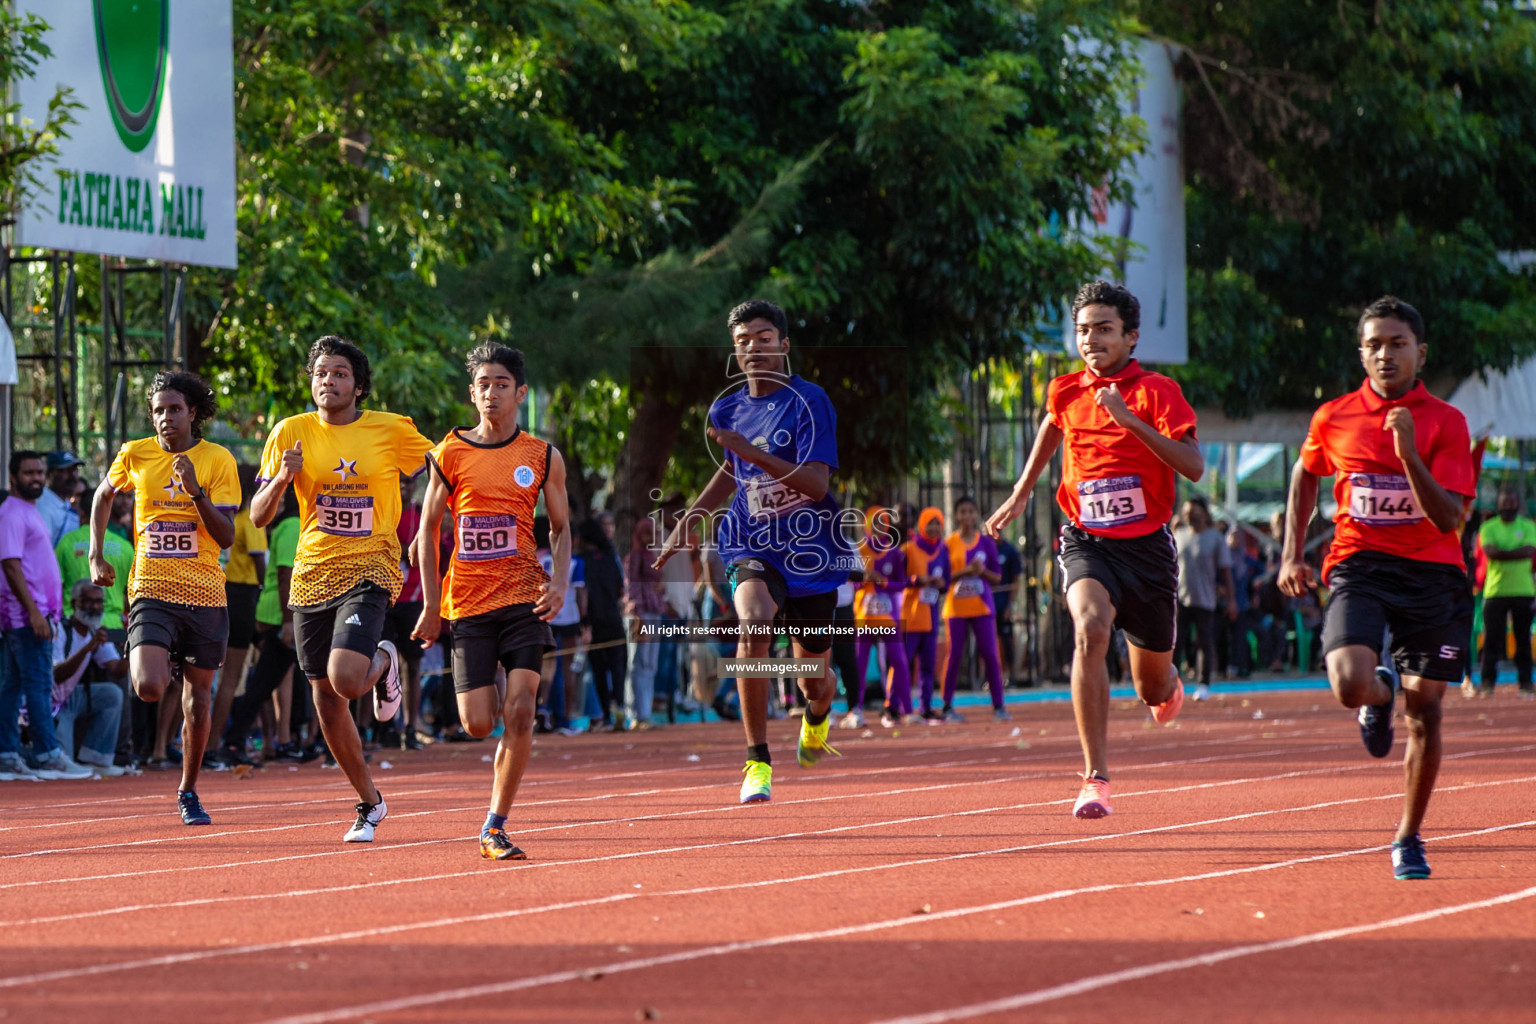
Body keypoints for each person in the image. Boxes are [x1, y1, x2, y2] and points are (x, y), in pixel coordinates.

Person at [985, 280, 1200, 819]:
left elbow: (1194, 466)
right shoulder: (1066, 390)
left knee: (1150, 687)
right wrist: (1020, 491)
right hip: (1087, 540)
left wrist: (1128, 419)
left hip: (1148, 549)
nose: (1091, 340)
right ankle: (1095, 777)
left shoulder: (1158, 392)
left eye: (1103, 330)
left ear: (1130, 336)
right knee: (1090, 628)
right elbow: (1051, 428)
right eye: (1083, 330)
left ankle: (1166, 682)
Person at [1279, 295, 1474, 881]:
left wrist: (1408, 452)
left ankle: (1408, 837)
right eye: (1373, 345)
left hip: (1433, 574)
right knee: (1348, 683)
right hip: (1359, 564)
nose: (1385, 354)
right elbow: (1304, 473)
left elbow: (1450, 520)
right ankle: (1377, 697)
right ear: (1360, 353)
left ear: (1420, 352)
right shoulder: (1333, 416)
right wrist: (1292, 551)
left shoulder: (1446, 422)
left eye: (1397, 343)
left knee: (1428, 711)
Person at [653, 298, 850, 804]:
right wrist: (690, 521)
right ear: (734, 352)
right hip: (749, 540)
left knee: (815, 682)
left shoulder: (811, 402)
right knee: (755, 623)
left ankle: (817, 716)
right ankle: (757, 760)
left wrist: (752, 452)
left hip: (811, 548)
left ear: (784, 345)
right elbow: (731, 471)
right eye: (743, 341)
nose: (753, 348)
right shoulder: (726, 408)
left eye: (764, 338)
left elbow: (814, 484)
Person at [250, 336, 433, 842]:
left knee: (347, 679)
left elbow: (445, 472)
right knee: (327, 702)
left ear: (357, 384)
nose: (328, 381)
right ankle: (369, 803)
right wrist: (282, 479)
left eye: (339, 373)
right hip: (312, 573)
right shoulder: (290, 432)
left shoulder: (391, 429)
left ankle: (383, 661)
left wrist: (423, 530)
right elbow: (259, 515)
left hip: (371, 565)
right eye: (321, 373)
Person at [412, 344, 569, 861]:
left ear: (520, 393)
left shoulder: (542, 456)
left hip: (525, 597)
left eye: (502, 383)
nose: (492, 392)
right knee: (478, 723)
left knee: (521, 711)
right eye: (484, 384)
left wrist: (560, 582)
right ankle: (494, 681)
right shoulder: (449, 453)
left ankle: (495, 825)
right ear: (472, 392)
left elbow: (562, 528)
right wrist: (431, 606)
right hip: (470, 603)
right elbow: (429, 531)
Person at [90, 372, 241, 821]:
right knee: (150, 687)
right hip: (151, 589)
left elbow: (227, 535)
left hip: (205, 593)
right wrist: (97, 554)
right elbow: (103, 494)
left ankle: (188, 790)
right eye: (158, 411)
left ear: (192, 413)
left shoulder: (217, 460)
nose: (165, 418)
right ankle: (164, 655)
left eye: (174, 409)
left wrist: (195, 491)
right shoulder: (135, 454)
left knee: (198, 700)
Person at [0, 451, 93, 781]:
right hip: (27, 617)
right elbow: (10, 565)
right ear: (13, 477)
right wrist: (34, 613)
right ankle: (48, 755)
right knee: (39, 685)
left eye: (39, 472)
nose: (36, 478)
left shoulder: (29, 510)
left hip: (32, 616)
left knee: (11, 687)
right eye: (29, 473)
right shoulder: (12, 512)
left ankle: (7, 756)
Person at [207, 463, 268, 768]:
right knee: (232, 679)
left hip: (218, 592)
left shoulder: (225, 518)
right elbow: (260, 569)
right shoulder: (250, 520)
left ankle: (232, 740)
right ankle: (215, 745)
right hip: (243, 597)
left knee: (213, 677)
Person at [939, 496, 1008, 722]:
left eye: (971, 511)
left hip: (982, 607)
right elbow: (942, 578)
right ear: (956, 516)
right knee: (954, 656)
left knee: (990, 654)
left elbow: (997, 577)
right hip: (956, 609)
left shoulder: (986, 543)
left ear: (976, 515)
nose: (967, 516)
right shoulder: (949, 544)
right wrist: (965, 572)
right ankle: (947, 706)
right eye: (963, 512)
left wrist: (982, 572)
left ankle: (999, 706)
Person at [51, 580, 128, 776]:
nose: (94, 607)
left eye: (99, 602)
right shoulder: (60, 629)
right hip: (51, 703)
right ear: (75, 602)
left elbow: (116, 671)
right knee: (63, 765)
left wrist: (130, 651)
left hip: (71, 697)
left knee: (112, 693)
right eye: (88, 601)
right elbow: (57, 675)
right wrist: (88, 647)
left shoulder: (95, 632)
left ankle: (96, 759)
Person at [853, 507, 911, 728]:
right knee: (860, 664)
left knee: (898, 661)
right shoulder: (858, 552)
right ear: (866, 525)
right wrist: (864, 578)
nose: (878, 527)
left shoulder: (895, 553)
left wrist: (884, 582)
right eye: (873, 523)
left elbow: (901, 584)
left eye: (882, 522)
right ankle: (855, 708)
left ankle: (907, 710)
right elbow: (852, 581)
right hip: (863, 619)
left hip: (888, 618)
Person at [1173, 497, 1236, 700]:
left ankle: (1203, 684)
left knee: (1204, 642)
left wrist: (1232, 600)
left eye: (1194, 512)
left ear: (1204, 514)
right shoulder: (1178, 535)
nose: (1189, 516)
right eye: (1187, 512)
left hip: (1205, 599)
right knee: (1176, 643)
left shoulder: (1215, 538)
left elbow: (1226, 572)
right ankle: (1173, 684)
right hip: (1180, 599)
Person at [1476, 487, 1535, 696]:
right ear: (1498, 504)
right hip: (1495, 591)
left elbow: (1529, 551)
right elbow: (1490, 552)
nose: (1508, 505)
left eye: (1512, 501)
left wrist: (1503, 552)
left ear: (1518, 503)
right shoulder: (1488, 527)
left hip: (1523, 591)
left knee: (1523, 640)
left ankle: (1526, 683)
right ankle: (1487, 683)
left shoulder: (1528, 526)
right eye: (1505, 502)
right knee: (1492, 639)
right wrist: (1516, 552)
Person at [902, 506, 950, 722]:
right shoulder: (908, 549)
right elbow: (897, 579)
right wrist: (917, 580)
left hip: (930, 617)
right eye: (929, 523)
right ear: (921, 525)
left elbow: (947, 582)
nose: (933, 528)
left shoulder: (943, 550)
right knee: (903, 663)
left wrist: (941, 584)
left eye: (937, 523)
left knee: (928, 666)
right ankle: (894, 706)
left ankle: (926, 706)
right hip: (910, 617)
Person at [580, 515, 626, 730]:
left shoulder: (583, 561)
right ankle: (619, 705)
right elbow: (620, 589)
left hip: (594, 621)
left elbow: (584, 594)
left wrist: (585, 622)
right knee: (617, 666)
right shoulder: (610, 558)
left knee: (598, 669)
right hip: (613, 619)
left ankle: (607, 714)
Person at [623, 518, 666, 730]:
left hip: (655, 611)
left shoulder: (654, 556)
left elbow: (659, 583)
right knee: (638, 664)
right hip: (639, 614)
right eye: (648, 533)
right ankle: (636, 714)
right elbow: (631, 585)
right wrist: (637, 615)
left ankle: (645, 713)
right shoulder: (635, 557)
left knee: (650, 665)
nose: (652, 538)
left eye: (655, 533)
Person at [38, 450, 82, 546]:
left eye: (74, 470)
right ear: (49, 474)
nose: (72, 476)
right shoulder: (43, 506)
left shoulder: (65, 503)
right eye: (65, 470)